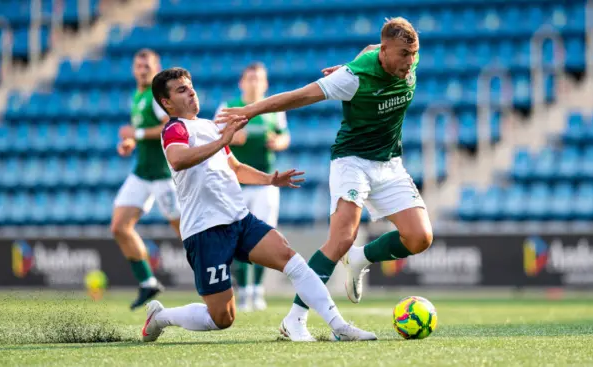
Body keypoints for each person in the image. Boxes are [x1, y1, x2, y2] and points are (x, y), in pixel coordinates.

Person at [216, 17, 433, 341]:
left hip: (389, 163)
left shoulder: (398, 58)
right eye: (404, 54)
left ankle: (362, 257)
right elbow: (298, 97)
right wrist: (252, 110)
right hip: (353, 162)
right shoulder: (353, 78)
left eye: (413, 54)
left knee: (420, 238)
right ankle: (295, 320)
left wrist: (355, 60)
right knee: (342, 237)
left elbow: (372, 48)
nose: (410, 62)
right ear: (387, 51)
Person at [141, 67, 376, 343]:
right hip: (205, 230)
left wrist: (269, 179)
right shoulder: (174, 129)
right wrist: (223, 140)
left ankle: (339, 325)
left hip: (239, 219)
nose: (191, 91)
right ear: (166, 102)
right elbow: (179, 159)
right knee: (222, 319)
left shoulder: (207, 126)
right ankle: (161, 317)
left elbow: (236, 168)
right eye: (181, 89)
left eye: (190, 86)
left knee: (291, 258)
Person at [214, 62, 290, 312]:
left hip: (266, 181)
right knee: (236, 237)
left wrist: (277, 142)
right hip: (235, 182)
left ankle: (257, 290)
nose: (254, 82)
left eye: (259, 78)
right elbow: (213, 136)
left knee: (264, 236)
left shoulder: (274, 108)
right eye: (250, 78)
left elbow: (284, 136)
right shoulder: (229, 107)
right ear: (242, 82)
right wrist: (231, 138)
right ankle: (243, 290)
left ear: (265, 84)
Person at [111, 49, 182, 310]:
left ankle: (213, 274)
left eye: (147, 65)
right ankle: (148, 282)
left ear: (156, 68)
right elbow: (141, 133)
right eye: (138, 65)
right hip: (142, 172)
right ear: (133, 69)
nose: (142, 69)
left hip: (163, 174)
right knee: (119, 226)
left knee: (185, 232)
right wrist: (131, 142)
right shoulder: (137, 95)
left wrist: (137, 133)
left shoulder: (155, 95)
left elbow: (171, 125)